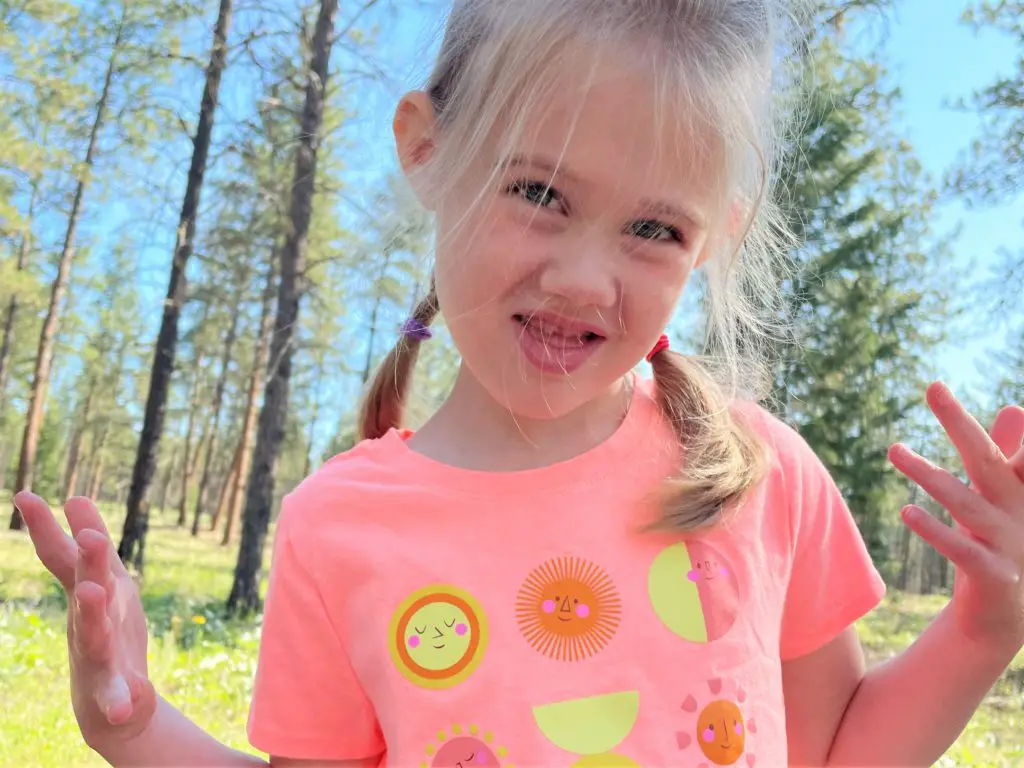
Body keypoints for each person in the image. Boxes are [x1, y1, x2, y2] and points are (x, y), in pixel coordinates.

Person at [15, 0, 1024, 765]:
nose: (584, 278)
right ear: (426, 150)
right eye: (539, 192)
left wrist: (985, 627)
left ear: (715, 237)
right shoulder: (338, 527)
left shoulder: (759, 477)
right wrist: (137, 727)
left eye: (653, 228)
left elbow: (836, 748)